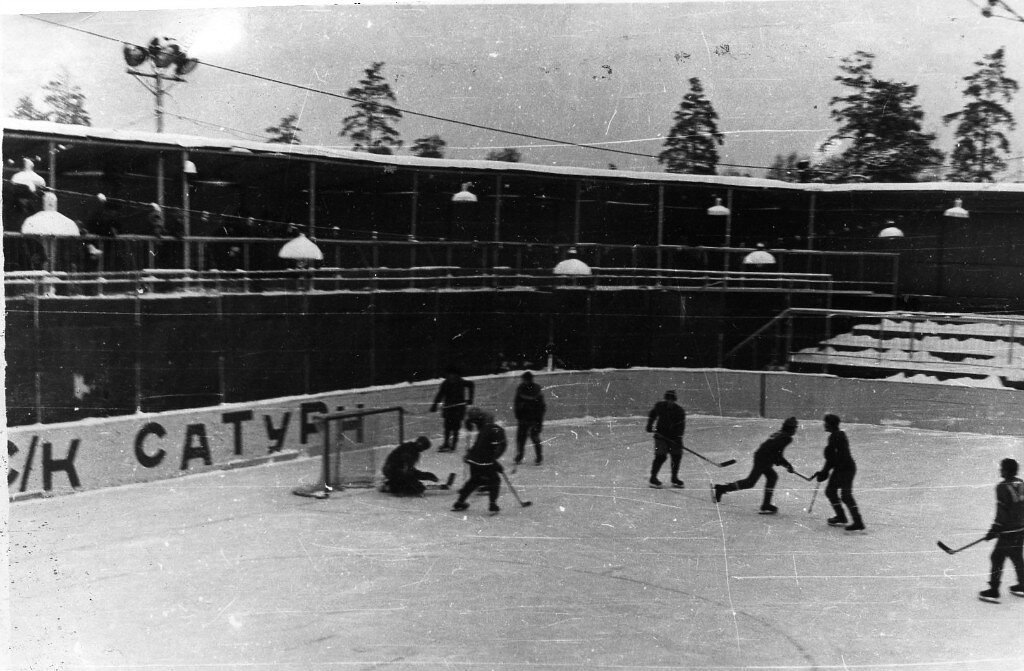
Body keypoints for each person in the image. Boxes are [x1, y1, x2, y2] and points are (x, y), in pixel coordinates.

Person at [713, 417, 799, 514]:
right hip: (763, 459)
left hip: (762, 457)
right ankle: (722, 488)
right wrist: (787, 465)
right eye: (795, 428)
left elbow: (774, 452)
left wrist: (784, 464)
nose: (795, 430)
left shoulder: (780, 433)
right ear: (791, 428)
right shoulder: (786, 438)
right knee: (750, 482)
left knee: (772, 477)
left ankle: (766, 504)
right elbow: (777, 454)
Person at [978, 458, 1024, 603]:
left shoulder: (1002, 487)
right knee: (1016, 556)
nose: (1000, 470)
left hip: (1008, 531)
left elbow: (1002, 512)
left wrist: (994, 530)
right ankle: (1023, 585)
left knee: (997, 557)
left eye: (1002, 468)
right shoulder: (1021, 483)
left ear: (1006, 471)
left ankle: (993, 591)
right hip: (1021, 528)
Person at [812, 414, 865, 531]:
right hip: (842, 468)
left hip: (846, 469)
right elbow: (832, 459)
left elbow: (834, 459)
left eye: (826, 423)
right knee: (831, 492)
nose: (824, 425)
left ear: (830, 424)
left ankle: (858, 522)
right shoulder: (836, 436)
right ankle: (841, 517)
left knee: (845, 496)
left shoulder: (837, 437)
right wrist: (824, 472)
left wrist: (824, 472)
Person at [451, 407, 508, 514]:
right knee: (495, 480)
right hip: (484, 460)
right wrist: (495, 463)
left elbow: (479, 446)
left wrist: (469, 455)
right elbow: (498, 448)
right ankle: (492, 504)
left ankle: (460, 501)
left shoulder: (484, 429)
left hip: (474, 459)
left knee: (474, 480)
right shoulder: (497, 431)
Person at [645, 390, 686, 488]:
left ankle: (674, 478)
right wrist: (649, 424)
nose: (670, 401)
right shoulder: (660, 406)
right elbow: (653, 414)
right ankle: (653, 478)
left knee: (676, 456)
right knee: (661, 456)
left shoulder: (679, 411)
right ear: (666, 399)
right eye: (668, 399)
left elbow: (681, 426)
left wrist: (678, 438)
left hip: (674, 437)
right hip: (661, 436)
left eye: (672, 400)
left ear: (674, 400)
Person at [380, 436, 447, 496]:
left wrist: (425, 475)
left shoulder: (410, 448)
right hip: (393, 471)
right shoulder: (411, 452)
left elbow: (409, 469)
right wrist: (418, 483)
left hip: (391, 470)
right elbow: (407, 471)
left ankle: (391, 484)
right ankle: (392, 486)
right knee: (414, 488)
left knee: (411, 482)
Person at [430, 366, 475, 452]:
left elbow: (471, 384)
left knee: (455, 428)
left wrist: (470, 399)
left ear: (456, 375)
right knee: (447, 427)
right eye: (449, 375)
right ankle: (446, 444)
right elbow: (440, 395)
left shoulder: (461, 382)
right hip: (448, 409)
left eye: (452, 375)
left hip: (459, 409)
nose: (450, 376)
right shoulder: (445, 383)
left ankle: (453, 446)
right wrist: (434, 405)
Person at [513, 371, 546, 466]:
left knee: (534, 437)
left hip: (534, 418)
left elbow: (541, 406)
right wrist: (517, 414)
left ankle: (539, 456)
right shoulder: (520, 388)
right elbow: (516, 402)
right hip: (523, 418)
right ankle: (519, 455)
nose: (523, 381)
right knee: (521, 438)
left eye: (525, 379)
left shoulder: (536, 389)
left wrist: (539, 419)